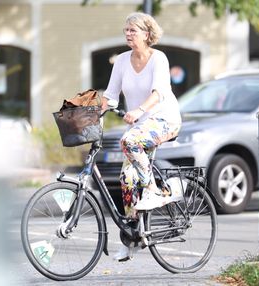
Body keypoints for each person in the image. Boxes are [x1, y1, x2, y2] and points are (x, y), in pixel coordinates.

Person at [101, 12, 182, 261]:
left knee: (129, 141)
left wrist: (139, 110)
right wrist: (93, 112)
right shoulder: (122, 61)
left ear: (147, 34)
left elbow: (159, 92)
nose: (128, 34)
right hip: (140, 127)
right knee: (126, 179)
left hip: (163, 119)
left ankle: (153, 191)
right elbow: (111, 94)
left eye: (133, 30)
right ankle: (131, 237)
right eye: (126, 30)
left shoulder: (159, 59)